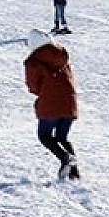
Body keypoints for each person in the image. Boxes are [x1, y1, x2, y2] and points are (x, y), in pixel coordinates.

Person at [24, 30, 80, 179]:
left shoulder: (33, 61)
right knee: (62, 138)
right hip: (70, 102)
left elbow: (33, 86)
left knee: (45, 136)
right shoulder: (62, 56)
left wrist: (42, 93)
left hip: (50, 102)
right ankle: (74, 174)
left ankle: (66, 159)